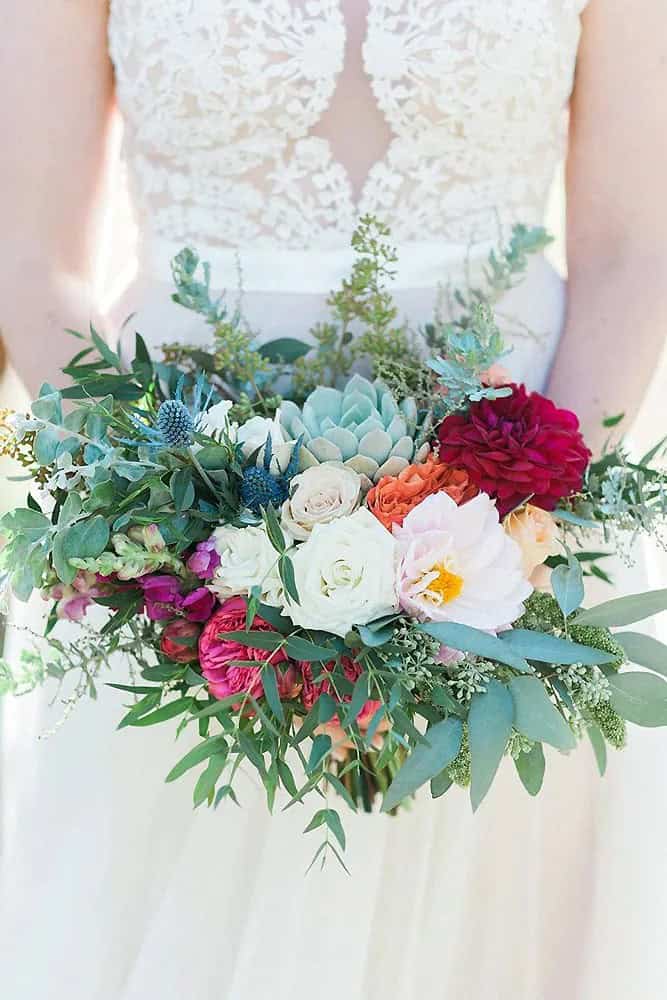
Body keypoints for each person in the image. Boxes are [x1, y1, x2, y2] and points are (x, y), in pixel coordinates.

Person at [1, 2, 666, 998]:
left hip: (520, 548)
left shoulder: (524, 548)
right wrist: (165, 520)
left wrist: (521, 538)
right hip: (183, 569)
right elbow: (29, 256)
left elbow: (632, 247)